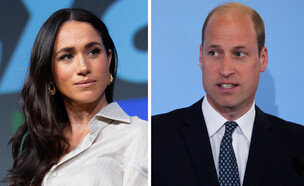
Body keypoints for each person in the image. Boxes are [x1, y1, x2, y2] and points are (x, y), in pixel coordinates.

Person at [152, 2, 304, 186]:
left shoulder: (297, 146)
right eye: (214, 53)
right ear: (201, 56)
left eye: (239, 54)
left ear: (262, 59)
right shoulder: (154, 138)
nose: (225, 70)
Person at [6, 8, 147, 186]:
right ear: (49, 71)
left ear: (108, 59)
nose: (83, 67)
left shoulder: (138, 135)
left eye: (93, 52)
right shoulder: (36, 147)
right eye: (66, 56)